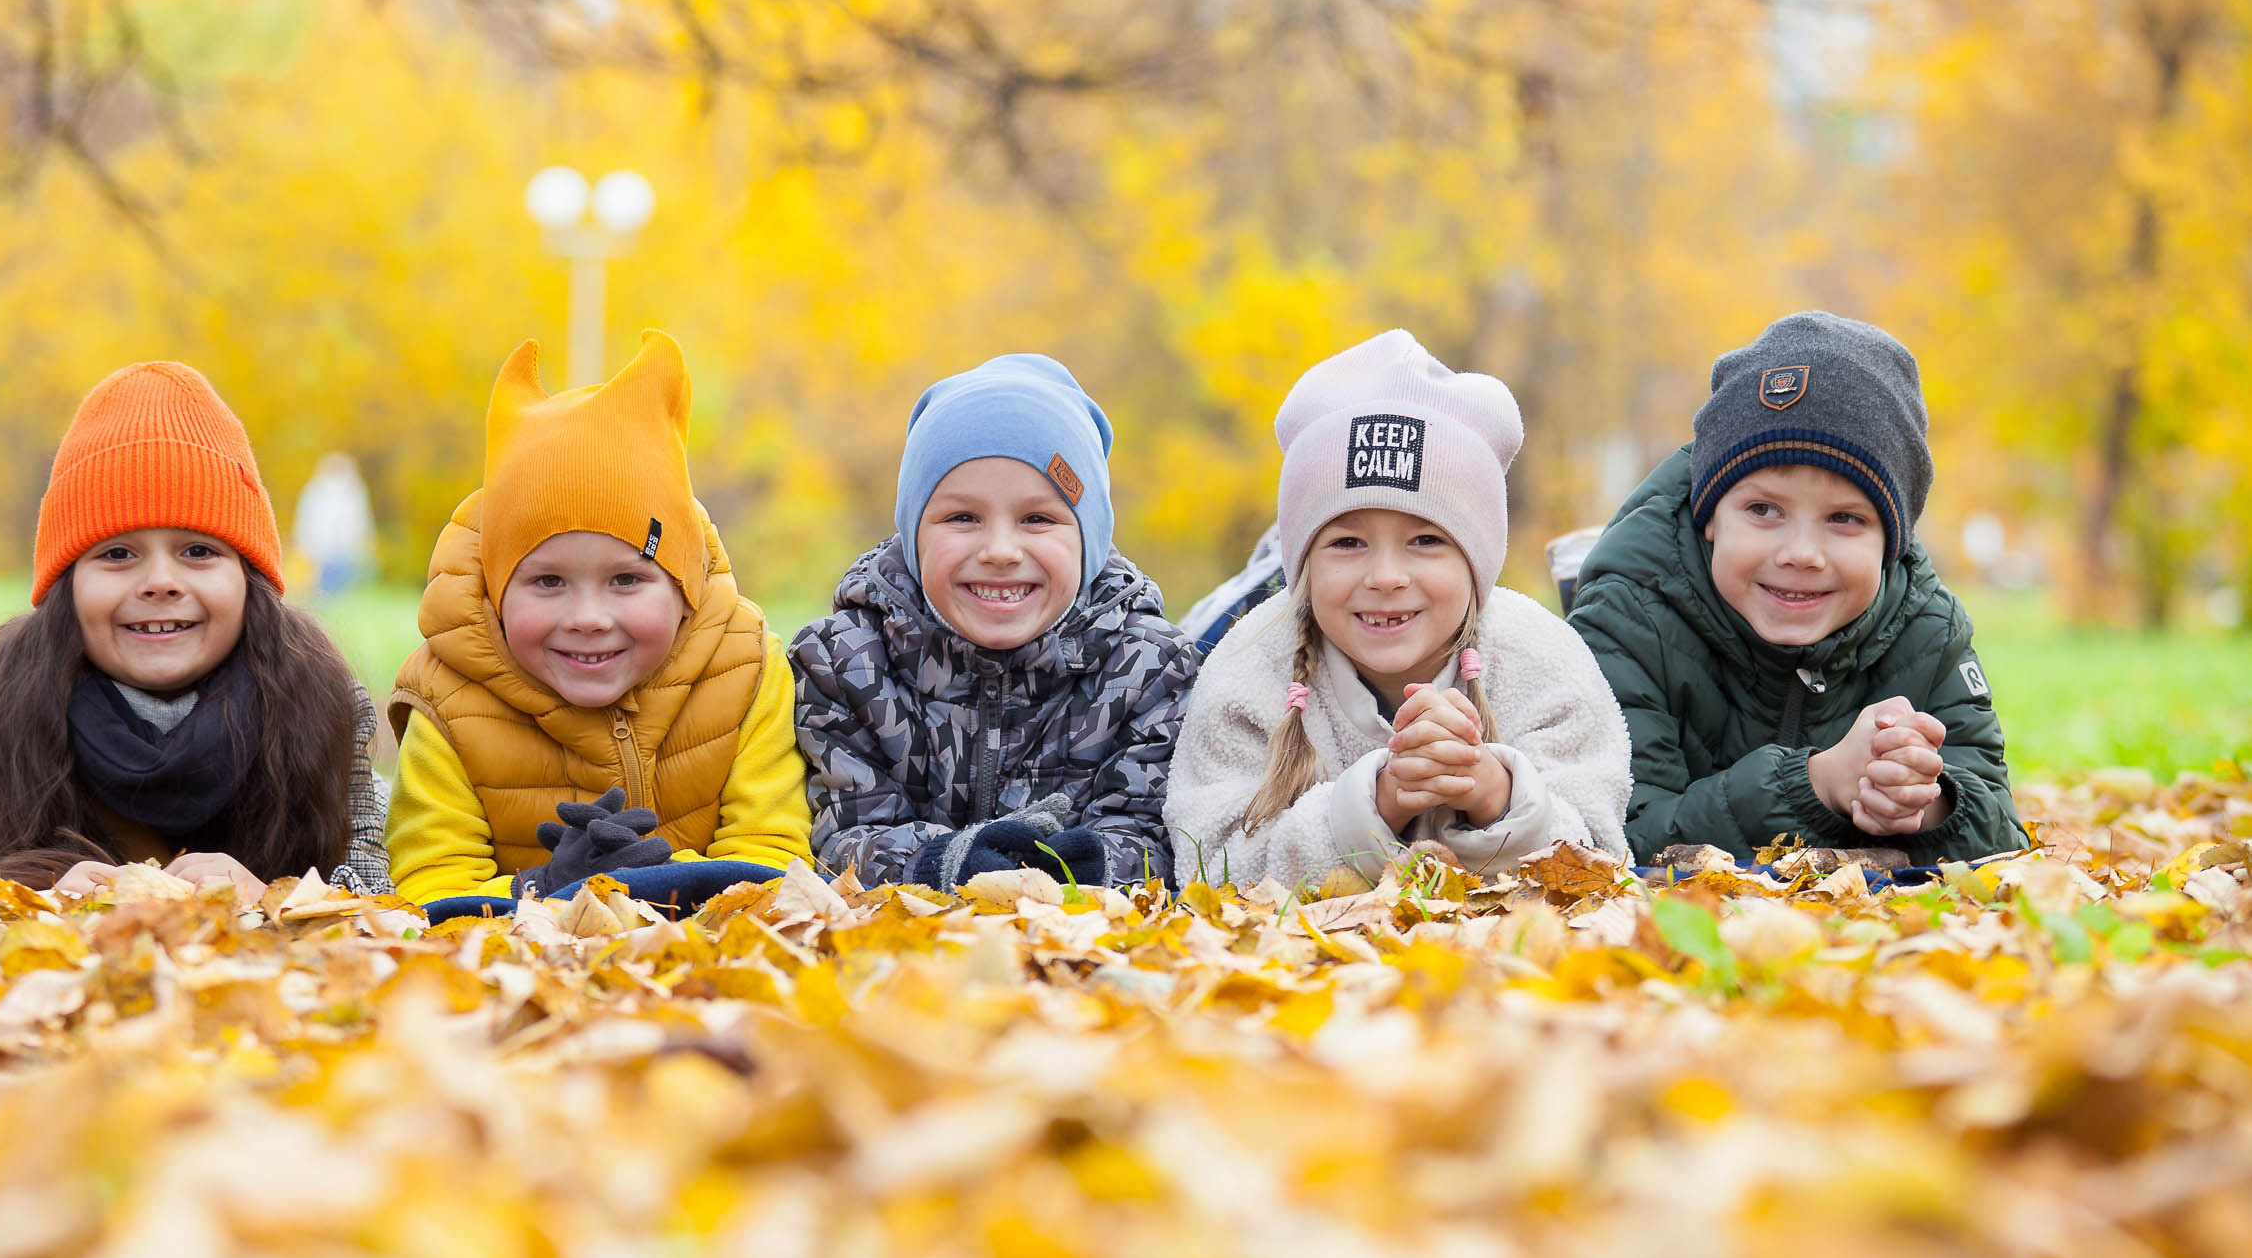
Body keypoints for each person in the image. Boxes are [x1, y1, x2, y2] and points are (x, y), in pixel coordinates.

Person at [1167, 332, 1630, 887]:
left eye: (1426, 541)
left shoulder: (1541, 659)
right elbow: (1209, 868)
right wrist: (1376, 803)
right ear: (1303, 561)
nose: (1386, 577)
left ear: (1477, 562)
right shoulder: (1247, 670)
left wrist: (1494, 795)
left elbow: (1602, 857)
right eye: (1347, 543)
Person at [1565, 311, 2027, 866]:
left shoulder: (1927, 629)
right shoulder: (1628, 616)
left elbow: (2002, 833)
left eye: (1845, 519)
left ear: (1892, 541)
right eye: (1764, 510)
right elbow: (1611, 837)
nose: (1801, 553)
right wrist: (1815, 784)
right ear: (1710, 517)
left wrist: (1924, 801)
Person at [384, 332, 810, 904]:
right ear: (495, 590)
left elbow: (772, 858)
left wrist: (650, 880)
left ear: (684, 588)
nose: (588, 617)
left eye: (627, 580)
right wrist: (546, 890)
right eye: (548, 581)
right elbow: (432, 886)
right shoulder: (449, 697)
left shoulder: (744, 669)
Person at [0, 361, 390, 898]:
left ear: (250, 579)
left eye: (198, 551)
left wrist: (272, 899)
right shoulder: (7, 713)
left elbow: (375, 888)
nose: (160, 582)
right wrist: (36, 898)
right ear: (66, 587)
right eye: (117, 553)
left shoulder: (322, 704)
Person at [790, 354, 1197, 889]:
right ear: (914, 535)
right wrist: (954, 862)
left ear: (1089, 539)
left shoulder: (1151, 669)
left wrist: (1060, 869)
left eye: (1037, 519)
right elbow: (844, 836)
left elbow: (1151, 840)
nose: (1001, 550)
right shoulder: (844, 664)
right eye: (962, 518)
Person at [292, 450, 377, 599]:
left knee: (342, 589)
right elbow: (307, 520)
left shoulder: (355, 491)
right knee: (323, 590)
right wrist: (306, 546)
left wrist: (364, 546)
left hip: (346, 550)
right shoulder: (316, 490)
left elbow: (361, 521)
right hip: (322, 550)